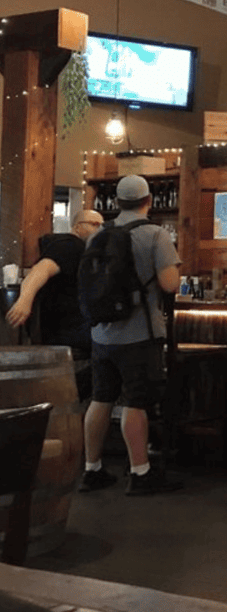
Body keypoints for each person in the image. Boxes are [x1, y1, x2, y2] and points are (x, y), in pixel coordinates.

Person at [79, 175, 182, 495]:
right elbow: (170, 284)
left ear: (117, 202)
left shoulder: (98, 236)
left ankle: (92, 469)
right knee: (136, 402)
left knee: (101, 399)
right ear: (148, 201)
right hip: (139, 334)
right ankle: (140, 473)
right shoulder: (156, 234)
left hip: (102, 334)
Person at [5, 210, 104, 395]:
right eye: (94, 224)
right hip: (66, 329)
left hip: (63, 327)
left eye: (101, 225)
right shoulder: (69, 245)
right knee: (116, 345)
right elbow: (40, 270)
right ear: (78, 227)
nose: (99, 229)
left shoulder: (76, 248)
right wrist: (24, 301)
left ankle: (73, 393)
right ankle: (68, 392)